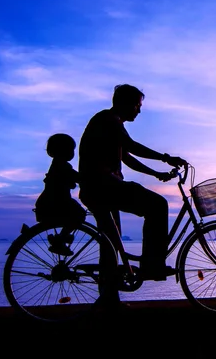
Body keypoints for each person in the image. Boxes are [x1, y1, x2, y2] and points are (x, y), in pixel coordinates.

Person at [78, 84, 187, 284]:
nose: (139, 110)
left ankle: (109, 301)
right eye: (137, 105)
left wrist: (155, 173)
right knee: (158, 205)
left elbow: (126, 157)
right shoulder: (109, 120)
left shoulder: (108, 123)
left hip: (98, 188)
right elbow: (132, 147)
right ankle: (153, 265)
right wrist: (166, 158)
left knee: (111, 244)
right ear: (124, 103)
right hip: (104, 187)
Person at [34, 133, 87, 256]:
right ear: (62, 151)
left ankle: (62, 238)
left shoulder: (57, 165)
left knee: (76, 215)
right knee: (79, 214)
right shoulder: (62, 166)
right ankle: (60, 240)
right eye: (70, 150)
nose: (72, 153)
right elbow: (77, 177)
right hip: (55, 203)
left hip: (51, 203)